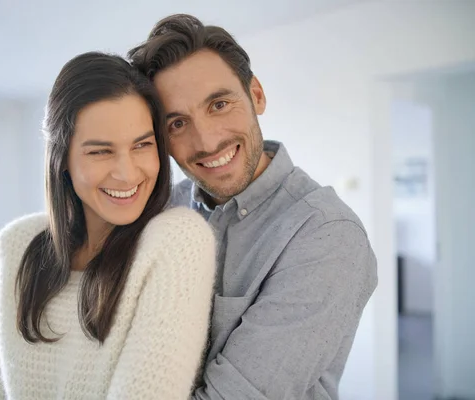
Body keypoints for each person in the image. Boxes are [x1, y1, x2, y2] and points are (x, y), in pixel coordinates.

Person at [129, 14, 378, 400]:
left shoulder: (326, 233)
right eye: (177, 123)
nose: (207, 140)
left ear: (256, 95)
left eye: (219, 104)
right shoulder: (161, 209)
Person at [0, 52, 216, 400]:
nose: (127, 172)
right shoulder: (16, 244)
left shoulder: (177, 241)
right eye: (100, 152)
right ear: (63, 161)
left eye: (142, 145)